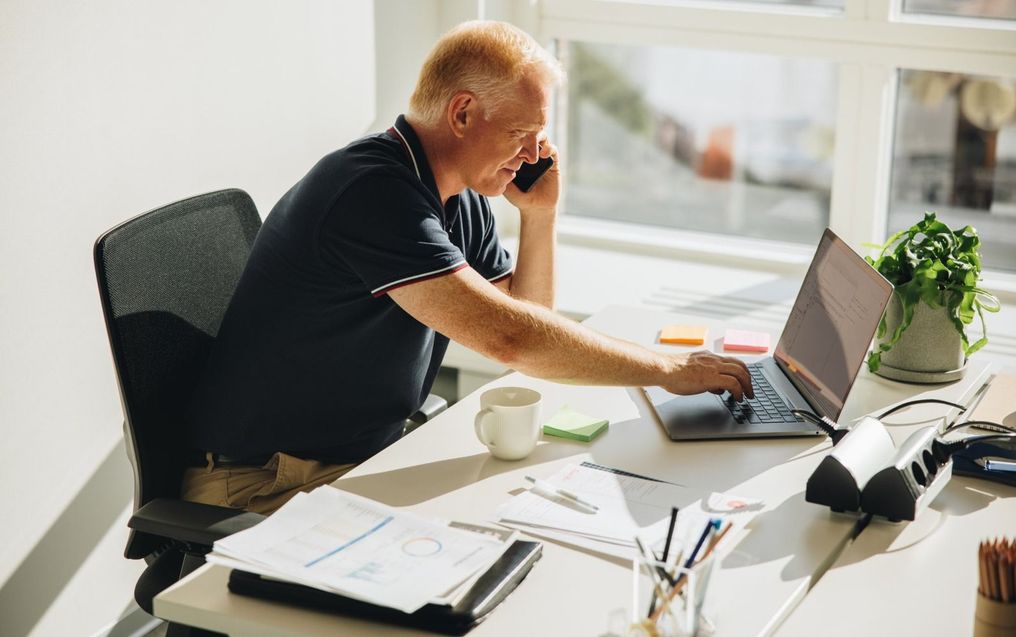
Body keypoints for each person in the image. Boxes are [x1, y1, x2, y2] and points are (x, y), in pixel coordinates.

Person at [182, 20, 753, 514]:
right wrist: (667, 371)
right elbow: (513, 341)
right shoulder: (372, 192)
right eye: (521, 135)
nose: (534, 156)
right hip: (264, 484)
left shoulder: (456, 193)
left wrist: (540, 216)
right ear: (462, 113)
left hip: (356, 460)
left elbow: (525, 318)